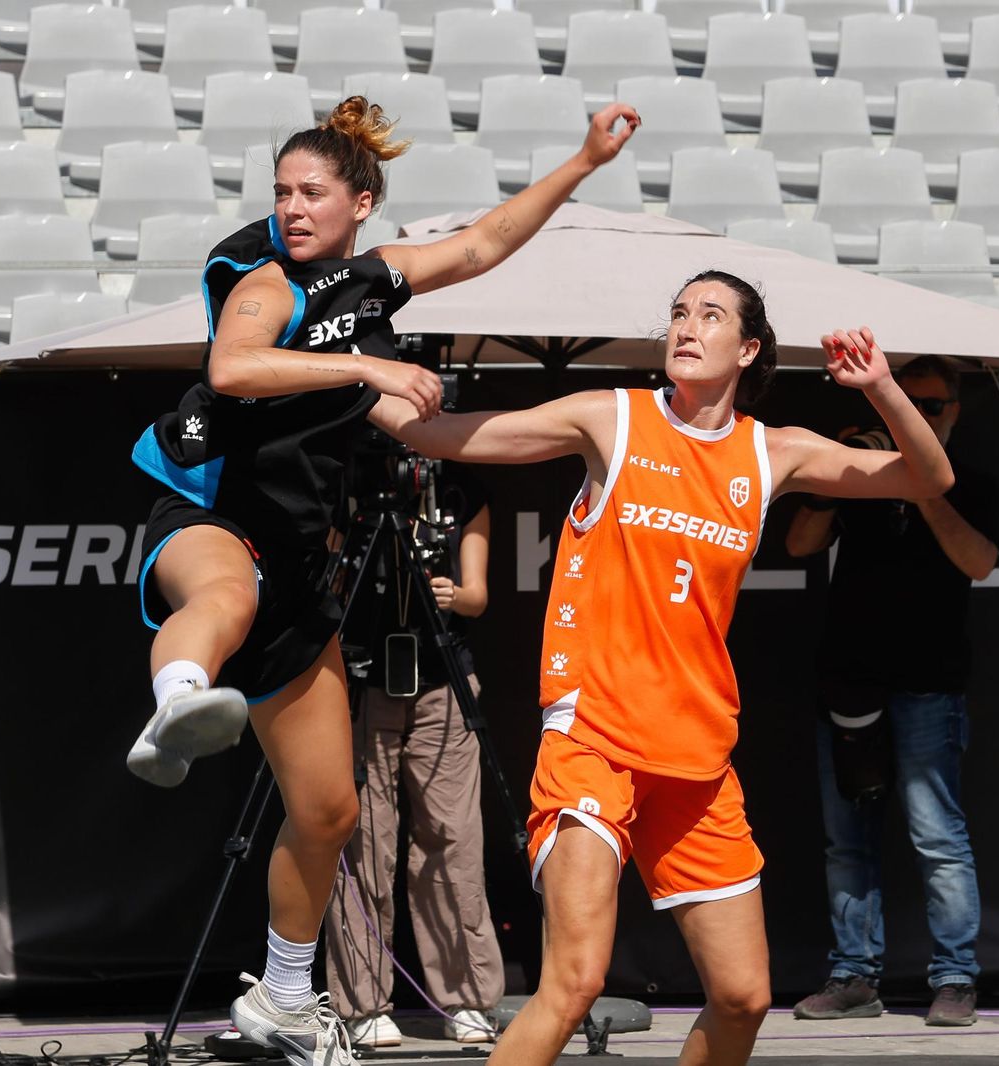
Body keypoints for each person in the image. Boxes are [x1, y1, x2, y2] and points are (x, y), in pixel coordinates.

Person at [123, 95, 639, 1066]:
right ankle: (176, 704)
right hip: (207, 508)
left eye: (311, 192)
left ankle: (282, 999)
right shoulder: (261, 278)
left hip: (299, 558)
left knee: (328, 810)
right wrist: (369, 368)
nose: (290, 207)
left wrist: (582, 163)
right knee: (220, 601)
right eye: (280, 190)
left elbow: (483, 246)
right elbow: (233, 368)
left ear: (362, 202)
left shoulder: (370, 284)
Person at [363, 271, 956, 1066]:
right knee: (573, 984)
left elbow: (930, 479)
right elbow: (441, 434)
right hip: (593, 736)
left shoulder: (769, 453)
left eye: (710, 315)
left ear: (747, 349)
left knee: (744, 997)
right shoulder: (613, 419)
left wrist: (881, 388)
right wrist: (346, 371)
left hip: (696, 757)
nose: (686, 325)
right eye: (679, 312)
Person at [784, 356, 999, 1028]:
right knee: (846, 841)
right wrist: (835, 485)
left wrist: (921, 484)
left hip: (929, 683)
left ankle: (956, 978)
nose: (924, 415)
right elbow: (798, 543)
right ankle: (854, 975)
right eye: (910, 404)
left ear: (954, 413)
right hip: (849, 678)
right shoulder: (858, 471)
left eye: (934, 407)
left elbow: (978, 562)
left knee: (938, 836)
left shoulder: (972, 479)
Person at [323, 464, 505, 1048]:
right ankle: (362, 1004)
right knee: (363, 843)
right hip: (359, 678)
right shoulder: (347, 484)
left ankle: (467, 999)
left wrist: (453, 592)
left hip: (441, 679)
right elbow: (322, 589)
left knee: (453, 839)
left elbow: (476, 596)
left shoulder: (459, 485)